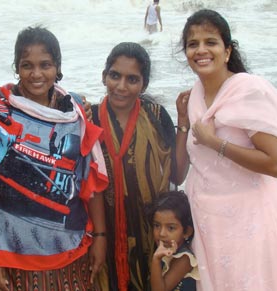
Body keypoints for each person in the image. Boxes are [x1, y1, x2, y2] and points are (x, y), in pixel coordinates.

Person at [0, 26, 109, 291]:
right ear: (16, 67)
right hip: (13, 254)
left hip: (71, 250)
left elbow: (89, 184)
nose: (36, 74)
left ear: (57, 67)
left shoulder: (74, 112)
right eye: (27, 65)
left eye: (45, 65)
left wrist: (100, 236)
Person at [176, 9, 277, 290]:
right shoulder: (194, 94)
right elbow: (182, 170)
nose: (201, 50)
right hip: (210, 222)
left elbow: (275, 164)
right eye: (192, 44)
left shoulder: (248, 90)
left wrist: (215, 143)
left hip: (249, 222)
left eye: (210, 42)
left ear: (227, 50)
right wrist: (182, 122)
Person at [91, 42, 178, 291]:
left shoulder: (156, 116)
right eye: (115, 75)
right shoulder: (89, 118)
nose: (121, 86)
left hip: (150, 233)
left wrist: (183, 125)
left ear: (143, 84)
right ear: (104, 76)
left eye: (132, 79)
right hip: (102, 233)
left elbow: (177, 174)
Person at [148, 191, 199, 291]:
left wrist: (156, 260)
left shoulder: (184, 258)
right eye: (157, 225)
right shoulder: (166, 251)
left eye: (171, 228)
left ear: (186, 232)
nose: (162, 233)